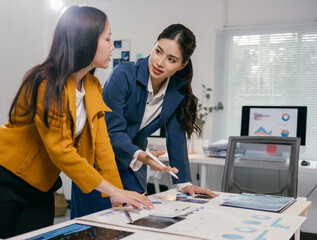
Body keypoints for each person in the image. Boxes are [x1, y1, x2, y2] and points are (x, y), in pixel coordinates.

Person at [0, 6, 152, 239]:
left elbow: (102, 146)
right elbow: (61, 149)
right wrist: (112, 189)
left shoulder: (92, 86)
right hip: (7, 179)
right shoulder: (45, 81)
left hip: (42, 186)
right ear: (86, 40)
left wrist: (117, 193)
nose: (112, 47)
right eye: (108, 39)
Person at [71, 23, 217, 217]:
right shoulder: (123, 74)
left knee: (139, 219)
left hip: (131, 165)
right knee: (96, 227)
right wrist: (144, 156)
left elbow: (176, 137)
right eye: (158, 51)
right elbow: (111, 130)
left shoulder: (176, 91)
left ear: (182, 65)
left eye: (171, 59)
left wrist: (184, 183)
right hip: (98, 162)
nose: (159, 62)